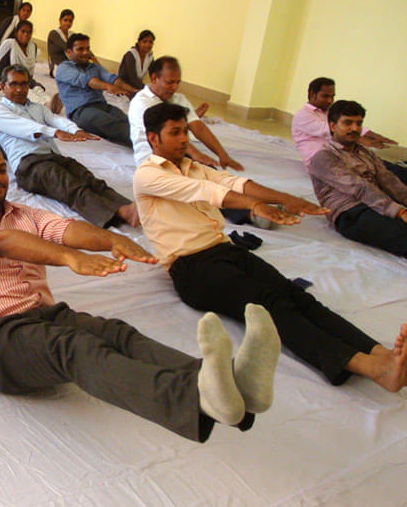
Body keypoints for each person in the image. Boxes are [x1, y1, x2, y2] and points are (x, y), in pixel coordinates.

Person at [0, 136, 282, 441]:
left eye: (1, 169)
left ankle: (236, 385)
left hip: (46, 315)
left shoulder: (24, 213)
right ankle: (196, 397)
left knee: (118, 335)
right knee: (75, 347)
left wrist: (112, 240)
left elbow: (67, 229)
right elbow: (2, 242)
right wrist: (70, 258)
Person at [134, 102, 407, 392]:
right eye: (175, 133)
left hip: (225, 251)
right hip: (192, 269)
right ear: (153, 138)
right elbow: (208, 192)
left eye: (185, 131)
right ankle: (370, 368)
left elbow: (236, 183)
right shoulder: (147, 175)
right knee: (269, 305)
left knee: (296, 296)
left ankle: (381, 354)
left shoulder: (194, 167)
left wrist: (287, 199)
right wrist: (255, 206)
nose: (184, 139)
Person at [0, 65, 139, 228]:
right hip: (29, 166)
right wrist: (55, 133)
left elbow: (55, 119)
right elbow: (25, 127)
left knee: (88, 178)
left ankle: (130, 206)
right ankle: (121, 213)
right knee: (69, 185)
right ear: (3, 86)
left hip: (53, 156)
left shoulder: (36, 107)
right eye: (14, 84)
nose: (19, 89)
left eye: (24, 84)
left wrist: (76, 130)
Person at [309, 100, 407, 257]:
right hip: (351, 211)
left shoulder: (365, 152)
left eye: (358, 123)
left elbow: (388, 180)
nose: (355, 128)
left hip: (378, 201)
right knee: (402, 234)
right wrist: (399, 211)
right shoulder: (324, 156)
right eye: (348, 123)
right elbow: (359, 187)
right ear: (333, 126)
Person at [129, 56, 243, 169]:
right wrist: (196, 154)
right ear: (154, 78)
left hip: (177, 154)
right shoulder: (141, 103)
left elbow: (198, 127)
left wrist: (223, 155)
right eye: (170, 82)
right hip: (153, 160)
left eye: (178, 82)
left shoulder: (179, 99)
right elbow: (167, 135)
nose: (175, 87)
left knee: (208, 171)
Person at [291, 77, 406, 183]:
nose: (330, 100)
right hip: (323, 163)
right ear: (312, 94)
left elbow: (349, 123)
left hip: (341, 156)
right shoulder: (303, 116)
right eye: (325, 96)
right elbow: (333, 131)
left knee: (380, 166)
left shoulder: (328, 111)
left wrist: (376, 136)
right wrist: (362, 140)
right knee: (378, 174)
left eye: (332, 96)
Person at [55, 33, 132, 147]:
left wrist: (132, 90)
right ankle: (149, 145)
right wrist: (108, 87)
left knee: (128, 120)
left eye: (87, 49)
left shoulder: (94, 67)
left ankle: (149, 142)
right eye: (80, 49)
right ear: (69, 52)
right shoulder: (64, 68)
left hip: (102, 106)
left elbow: (111, 78)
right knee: (114, 125)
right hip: (81, 111)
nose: (85, 52)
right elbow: (87, 80)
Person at [0, 20, 43, 92]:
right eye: (23, 31)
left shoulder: (33, 47)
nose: (26, 35)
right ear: (16, 32)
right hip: (9, 81)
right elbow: (0, 69)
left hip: (25, 80)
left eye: (29, 32)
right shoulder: (10, 45)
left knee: (40, 89)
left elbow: (29, 74)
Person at [46, 9, 73, 77]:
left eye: (70, 21)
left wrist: (93, 58)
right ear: (60, 20)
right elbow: (66, 47)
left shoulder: (71, 34)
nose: (68, 23)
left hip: (69, 65)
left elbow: (81, 45)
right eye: (65, 20)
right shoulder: (54, 33)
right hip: (57, 66)